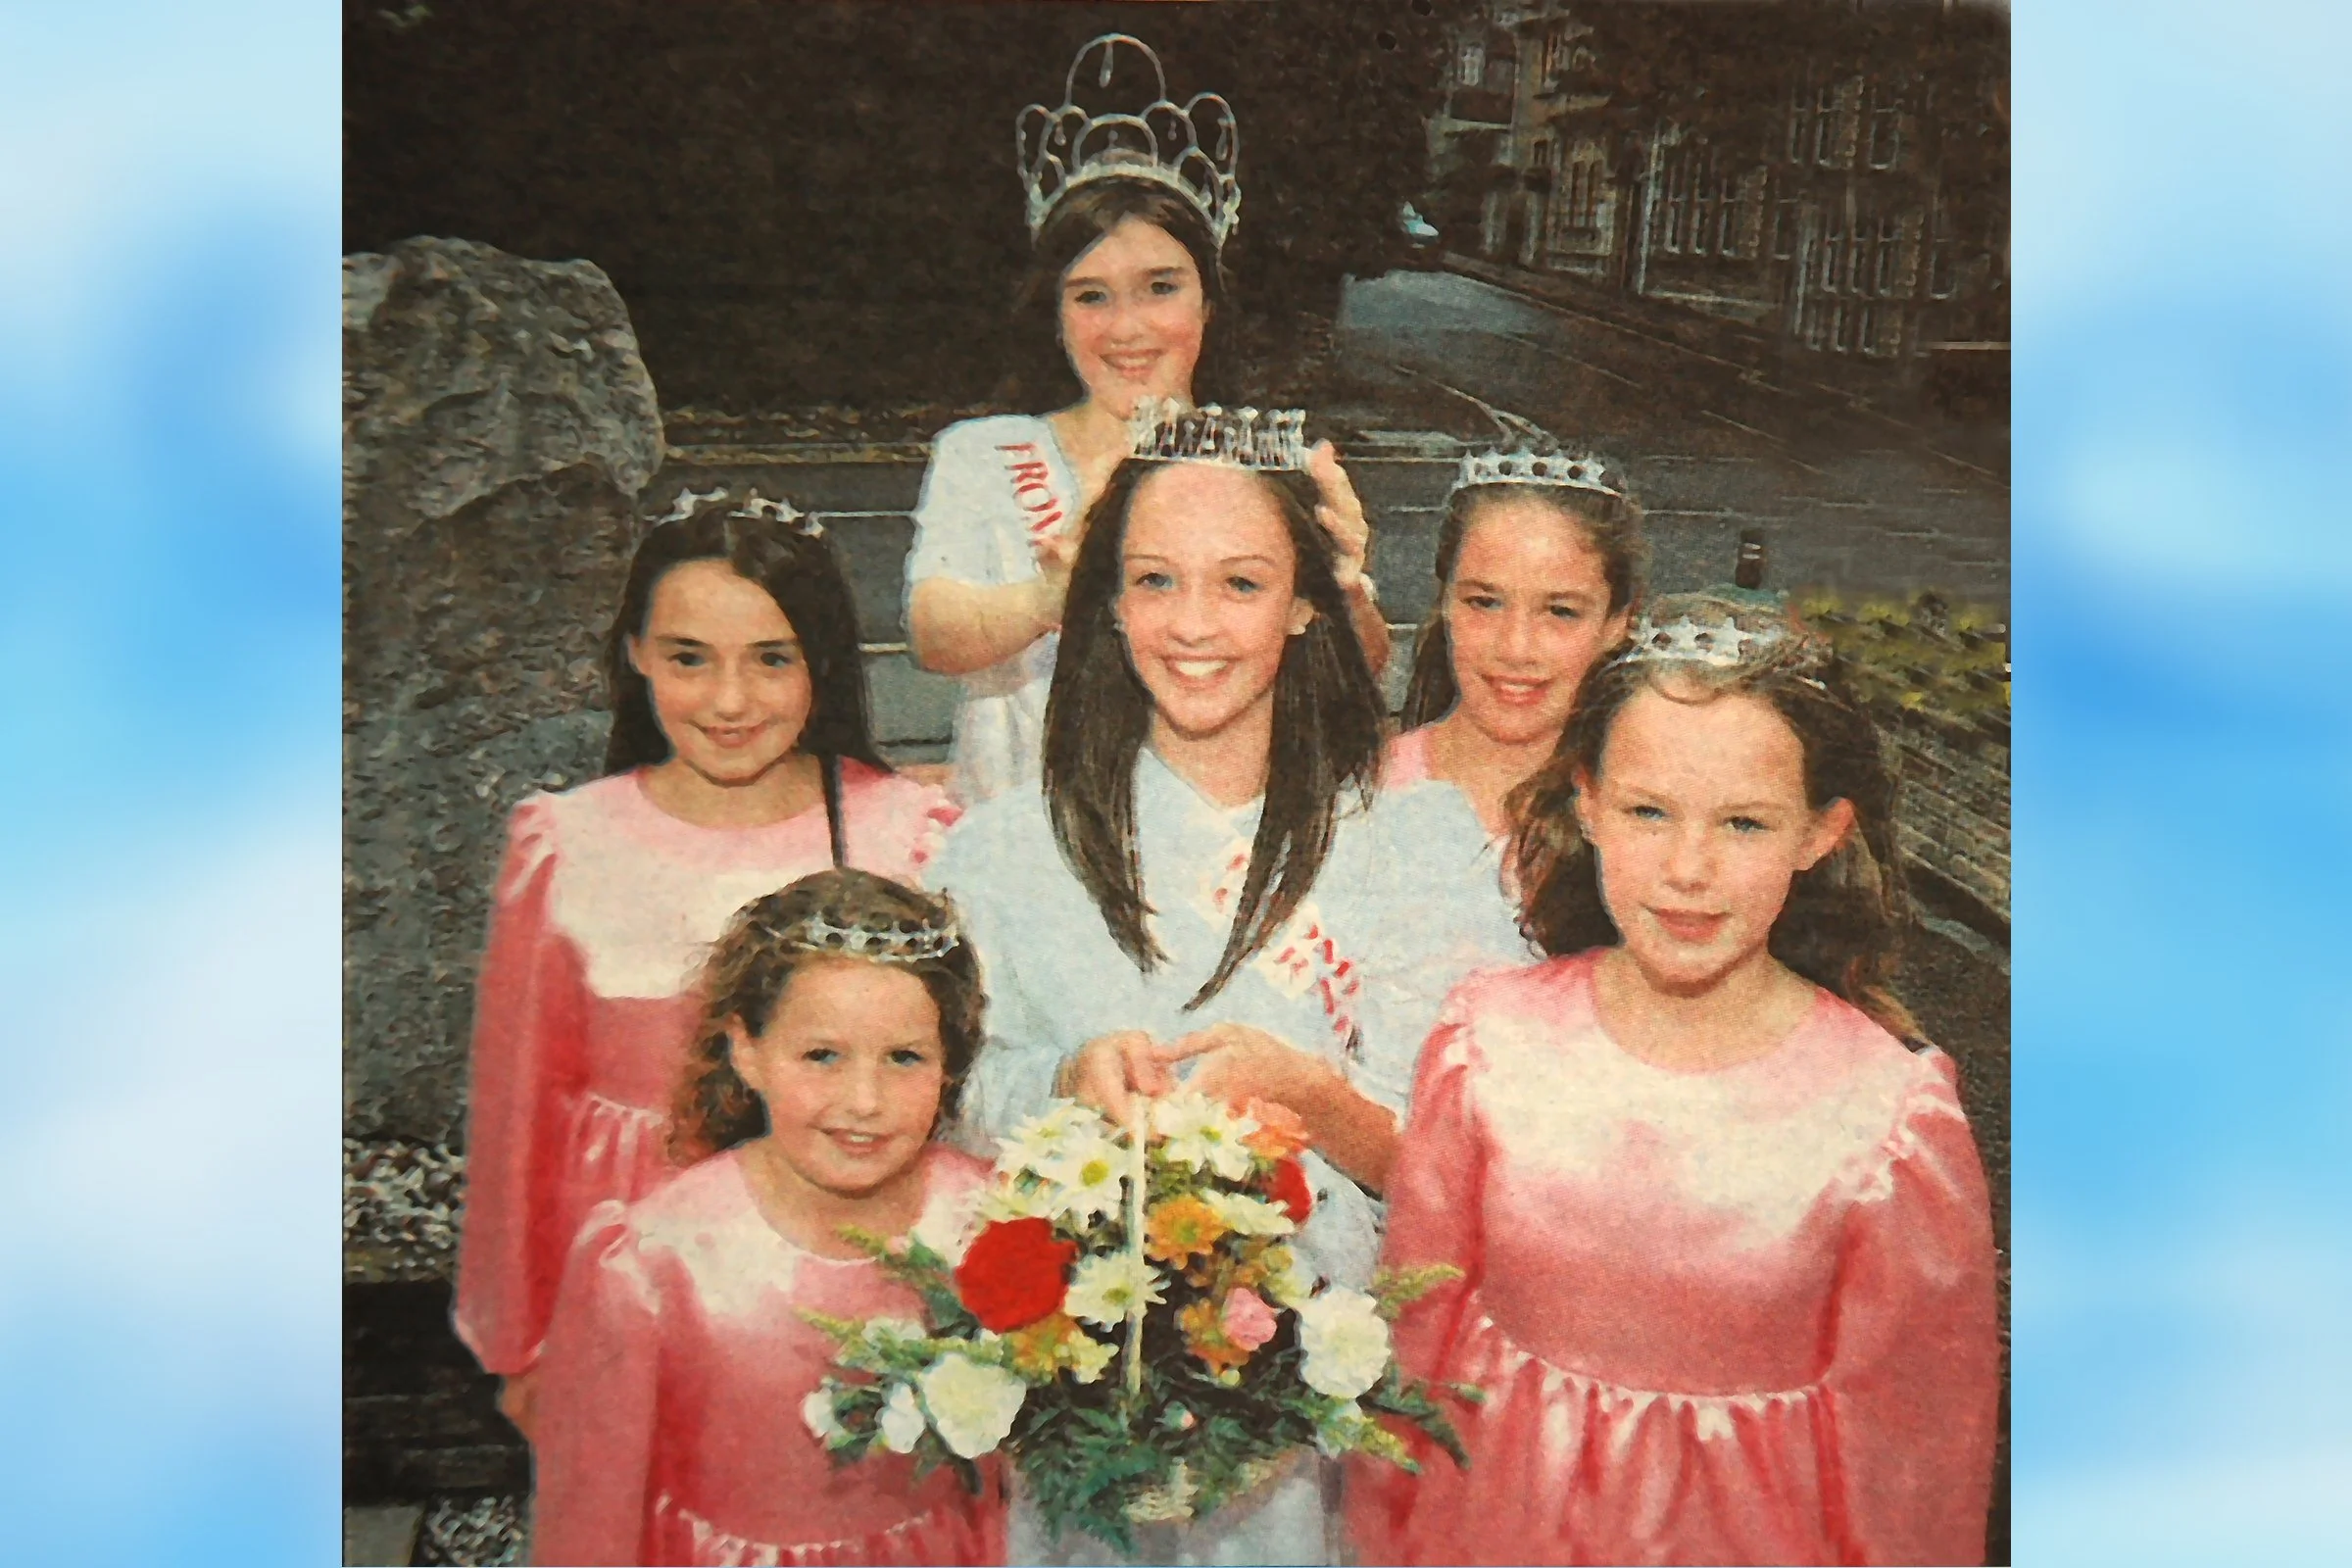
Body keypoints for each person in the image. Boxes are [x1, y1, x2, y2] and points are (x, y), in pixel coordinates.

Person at [927, 403, 1522, 1565]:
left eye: (1241, 583)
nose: (1193, 625)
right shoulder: (1006, 852)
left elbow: (1478, 1164)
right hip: (1089, 1424)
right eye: (1155, 580)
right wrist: (1065, 1080)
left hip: (1340, 1419)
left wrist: (1313, 1101)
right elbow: (946, 1098)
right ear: (1107, 600)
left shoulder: (1411, 845)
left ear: (1306, 602)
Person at [1350, 593, 2001, 1566]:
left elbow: (1915, 1465)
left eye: (1743, 823)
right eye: (1649, 812)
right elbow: (1413, 1350)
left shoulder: (1885, 1117)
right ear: (1588, 802)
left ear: (1820, 832)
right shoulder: (1486, 1044)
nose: (1688, 869)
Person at [454, 488, 960, 1441]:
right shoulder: (566, 844)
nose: (730, 701)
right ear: (636, 654)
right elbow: (518, 1116)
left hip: (849, 1266)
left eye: (771, 658)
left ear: (822, 661)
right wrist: (522, 1344)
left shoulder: (906, 836)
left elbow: (950, 1086)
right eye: (690, 657)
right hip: (633, 1271)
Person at [905, 32, 1388, 806]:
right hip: (1022, 831)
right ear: (1054, 313)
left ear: (1209, 301)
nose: (1126, 328)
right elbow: (934, 634)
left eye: (1161, 287)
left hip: (1217, 837)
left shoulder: (1268, 461)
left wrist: (1345, 590)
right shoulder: (987, 453)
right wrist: (1050, 597)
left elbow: (1357, 666)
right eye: (1091, 295)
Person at [529, 871, 1004, 1566]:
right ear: (746, 1051)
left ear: (949, 1064)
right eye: (822, 1056)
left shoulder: (990, 1219)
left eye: (904, 1058)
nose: (864, 1100)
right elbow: (590, 1517)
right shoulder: (657, 1259)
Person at [1390, 445, 1643, 840]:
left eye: (1560, 611)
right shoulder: (1357, 801)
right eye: (1484, 603)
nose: (1515, 648)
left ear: (1617, 623)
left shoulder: (1651, 810)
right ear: (1445, 602)